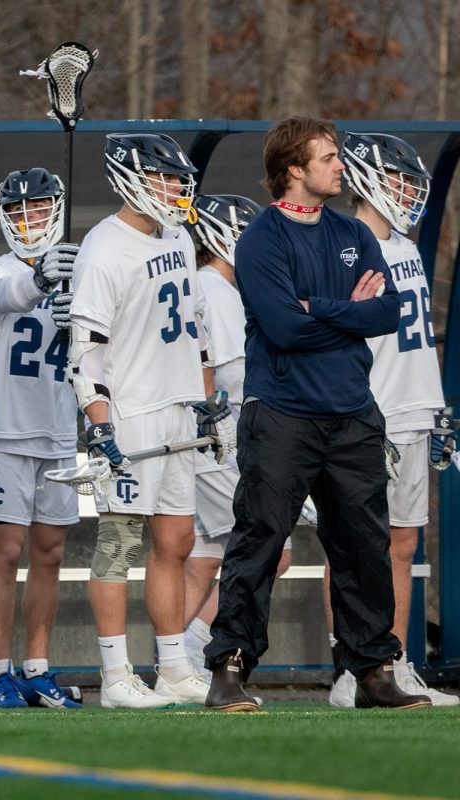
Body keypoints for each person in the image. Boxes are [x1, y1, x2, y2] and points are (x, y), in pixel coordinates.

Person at [203, 116, 429, 712]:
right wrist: (341, 312)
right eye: (328, 157)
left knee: (363, 547)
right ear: (295, 170)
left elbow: (387, 314)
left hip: (354, 413)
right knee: (259, 541)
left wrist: (318, 309)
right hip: (281, 414)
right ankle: (228, 669)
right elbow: (282, 327)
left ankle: (373, 670)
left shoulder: (354, 233)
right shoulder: (261, 239)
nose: (340, 166)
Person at [68, 133, 234, 708]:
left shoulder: (180, 238)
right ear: (132, 180)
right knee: (118, 542)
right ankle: (115, 676)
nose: (176, 190)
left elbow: (196, 328)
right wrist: (99, 422)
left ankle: (172, 666)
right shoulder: (101, 249)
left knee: (177, 539)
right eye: (164, 178)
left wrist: (208, 400)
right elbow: (86, 349)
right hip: (130, 412)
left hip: (178, 410)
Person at [324, 132, 457, 707]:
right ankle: (350, 667)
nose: (408, 191)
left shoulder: (403, 246)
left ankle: (394, 661)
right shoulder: (341, 244)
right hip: (365, 413)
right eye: (399, 179)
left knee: (403, 543)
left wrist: (434, 407)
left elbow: (415, 342)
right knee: (354, 547)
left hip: (410, 410)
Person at [0, 168, 81, 709]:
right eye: (18, 212)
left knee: (50, 552)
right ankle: (0, 670)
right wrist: (40, 281)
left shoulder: (82, 272)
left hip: (58, 429)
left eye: (37, 209)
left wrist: (78, 318)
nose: (28, 220)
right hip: (6, 432)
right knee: (6, 550)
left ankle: (37, 665)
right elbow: (8, 295)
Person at [181, 194, 297, 680]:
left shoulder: (219, 286)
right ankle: (190, 649)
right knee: (275, 550)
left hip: (210, 437)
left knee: (206, 557)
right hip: (221, 437)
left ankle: (173, 658)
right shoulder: (217, 286)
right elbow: (222, 370)